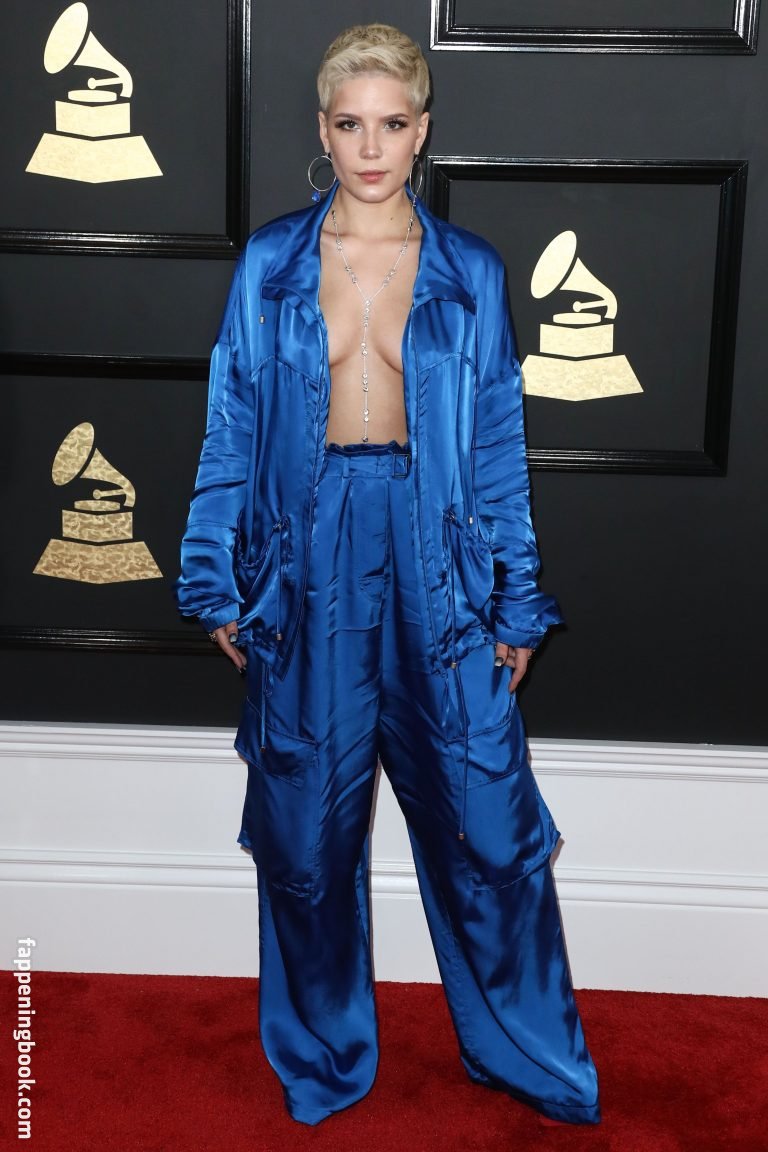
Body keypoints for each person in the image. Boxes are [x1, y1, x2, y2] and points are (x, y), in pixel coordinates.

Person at [176, 23, 600, 1129]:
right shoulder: (270, 264)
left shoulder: (471, 272)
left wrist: (516, 597)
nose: (372, 148)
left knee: (485, 819)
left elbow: (497, 443)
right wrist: (214, 578)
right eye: (350, 124)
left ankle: (527, 1052)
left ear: (423, 130)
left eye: (393, 124)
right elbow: (231, 425)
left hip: (437, 558)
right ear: (322, 132)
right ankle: (323, 1056)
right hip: (306, 554)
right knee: (306, 825)